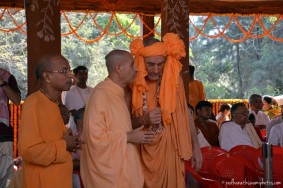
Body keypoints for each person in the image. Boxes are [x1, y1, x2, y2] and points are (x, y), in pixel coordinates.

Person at [129, 33, 202, 188]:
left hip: (170, 150)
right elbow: (122, 123)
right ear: (141, 62)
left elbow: (185, 114)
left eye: (160, 64)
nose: (156, 70)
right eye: (150, 64)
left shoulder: (175, 81)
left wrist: (196, 147)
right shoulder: (131, 84)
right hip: (140, 150)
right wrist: (144, 120)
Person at [80, 50, 156, 188]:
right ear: (118, 68)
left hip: (124, 169)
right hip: (109, 178)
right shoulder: (101, 94)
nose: (136, 68)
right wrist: (128, 137)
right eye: (132, 64)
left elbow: (118, 129)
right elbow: (94, 138)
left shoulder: (117, 93)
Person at [18, 54, 80, 188]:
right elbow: (28, 150)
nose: (70, 76)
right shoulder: (33, 103)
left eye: (70, 70)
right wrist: (64, 145)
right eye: (64, 71)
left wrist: (71, 143)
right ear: (47, 77)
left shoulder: (55, 104)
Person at [0, 68, 21, 188]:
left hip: (3, 135)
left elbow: (17, 100)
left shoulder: (7, 77)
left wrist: (3, 83)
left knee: (5, 181)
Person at [63, 66, 92, 130]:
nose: (84, 76)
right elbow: (71, 111)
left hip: (92, 125)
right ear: (75, 75)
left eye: (85, 74)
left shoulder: (93, 90)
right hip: (76, 127)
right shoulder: (70, 92)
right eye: (81, 74)